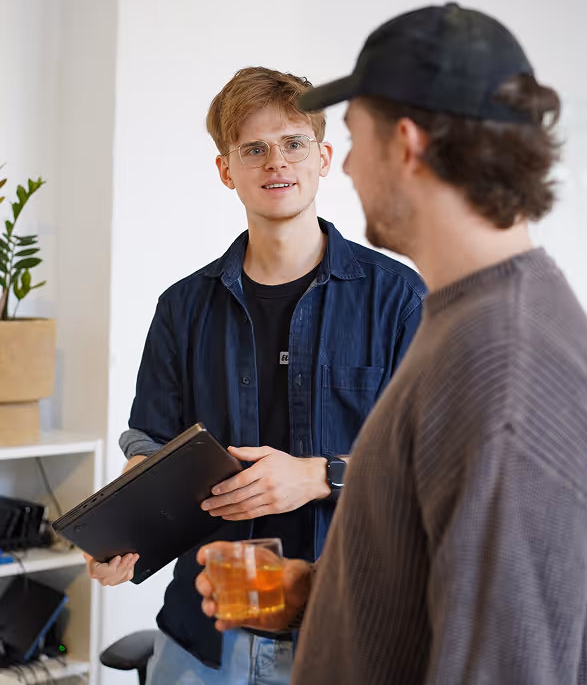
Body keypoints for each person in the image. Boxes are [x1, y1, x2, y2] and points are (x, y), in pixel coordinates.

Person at [196, 5, 587, 685]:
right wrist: (318, 589)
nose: (352, 168)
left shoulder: (507, 368)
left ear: (408, 145)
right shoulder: (466, 319)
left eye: (357, 142)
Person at [85, 66, 425, 684]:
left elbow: (434, 466)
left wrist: (321, 476)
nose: (277, 162)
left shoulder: (398, 299)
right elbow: (151, 450)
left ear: (322, 157)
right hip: (203, 637)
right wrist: (120, 535)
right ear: (227, 170)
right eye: (254, 149)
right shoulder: (182, 307)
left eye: (294, 143)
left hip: (342, 632)